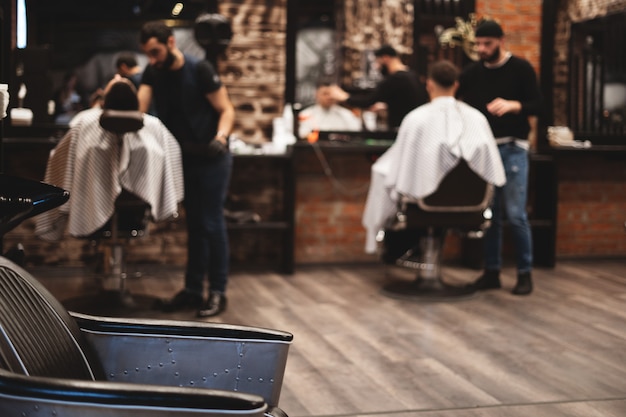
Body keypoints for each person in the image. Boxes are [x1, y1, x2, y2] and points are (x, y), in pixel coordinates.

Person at [138, 20, 235, 317]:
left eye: (156, 51)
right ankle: (193, 291)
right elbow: (140, 109)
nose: (153, 59)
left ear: (170, 42)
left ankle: (218, 291)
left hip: (212, 156)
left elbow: (226, 110)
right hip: (184, 159)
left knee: (211, 223)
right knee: (194, 226)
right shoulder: (153, 72)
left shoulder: (200, 70)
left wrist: (221, 137)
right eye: (148, 54)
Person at [362, 60, 506, 254]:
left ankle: (392, 249)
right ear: (456, 85)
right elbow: (493, 171)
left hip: (423, 206)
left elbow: (397, 169)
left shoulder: (416, 119)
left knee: (383, 174)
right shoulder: (477, 119)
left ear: (428, 84)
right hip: (471, 205)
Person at [35, 75, 184, 241]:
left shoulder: (85, 121)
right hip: (137, 205)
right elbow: (174, 155)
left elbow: (59, 158)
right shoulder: (153, 125)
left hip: (91, 201)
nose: (119, 77)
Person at [456, 19, 543, 295]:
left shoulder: (521, 69)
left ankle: (524, 273)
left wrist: (514, 105)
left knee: (516, 215)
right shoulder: (471, 73)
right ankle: (491, 272)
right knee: (489, 216)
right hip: (484, 150)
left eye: (487, 44)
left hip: (513, 148)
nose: (482, 49)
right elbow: (456, 103)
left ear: (501, 41)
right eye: (478, 44)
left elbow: (540, 105)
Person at [330, 44, 428, 131]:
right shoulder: (413, 75)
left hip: (401, 129)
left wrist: (344, 97)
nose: (377, 67)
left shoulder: (395, 79)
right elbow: (408, 101)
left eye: (377, 62)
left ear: (385, 58)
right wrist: (388, 105)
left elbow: (368, 101)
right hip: (415, 127)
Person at [297, 80, 362, 140]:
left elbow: (356, 133)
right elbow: (302, 134)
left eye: (331, 94)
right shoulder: (306, 114)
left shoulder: (346, 114)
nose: (329, 97)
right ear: (316, 94)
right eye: (325, 94)